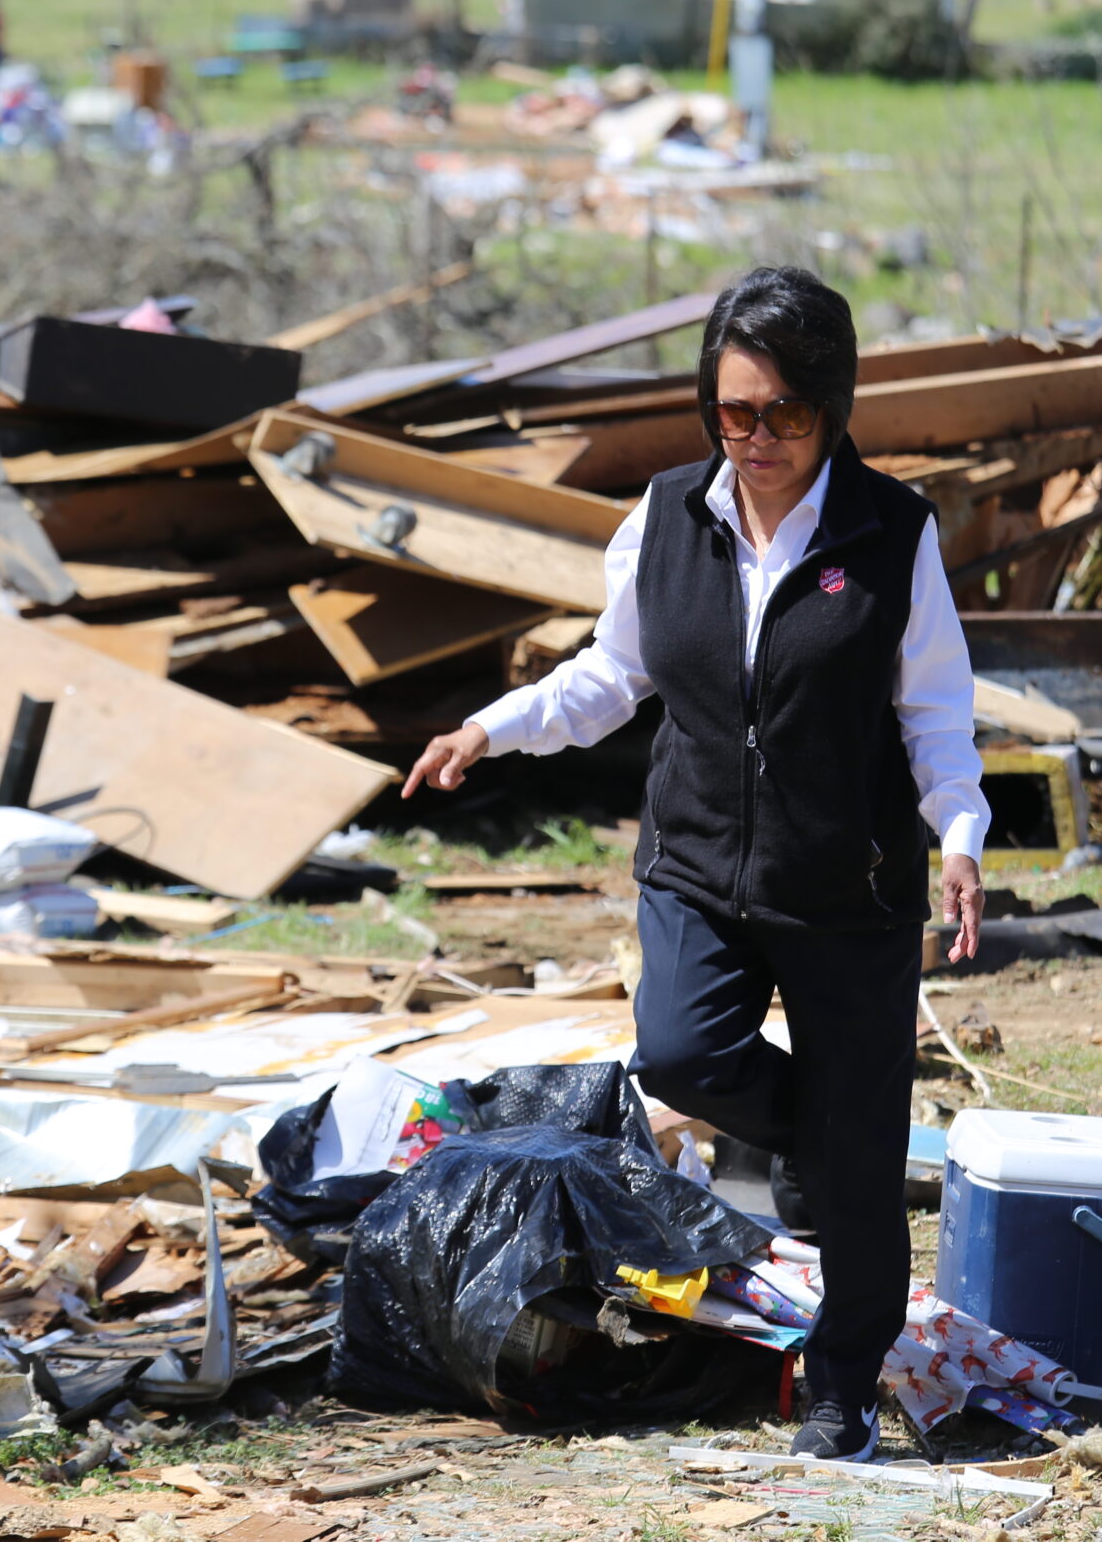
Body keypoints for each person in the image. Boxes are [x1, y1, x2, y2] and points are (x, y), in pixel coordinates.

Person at [403, 266, 988, 1462]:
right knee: (681, 1052)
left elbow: (933, 710)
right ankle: (825, 1140)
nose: (758, 439)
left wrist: (962, 835)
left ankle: (839, 1385)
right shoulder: (668, 515)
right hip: (698, 867)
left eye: (785, 414)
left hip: (849, 886)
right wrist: (489, 730)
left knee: (861, 1159)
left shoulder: (891, 531)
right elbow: (610, 676)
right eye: (734, 412)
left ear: (832, 406)